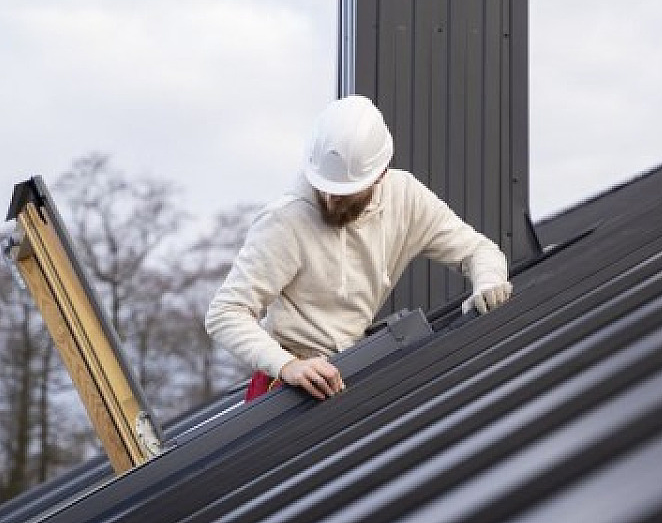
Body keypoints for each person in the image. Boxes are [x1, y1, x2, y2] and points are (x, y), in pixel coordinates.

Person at [206, 95, 513, 402]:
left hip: (348, 372)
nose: (329, 201)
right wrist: (288, 365)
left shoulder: (405, 199)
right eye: (324, 188)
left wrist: (488, 282)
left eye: (343, 194)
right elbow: (225, 313)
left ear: (379, 175)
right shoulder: (286, 220)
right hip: (283, 385)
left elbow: (478, 250)